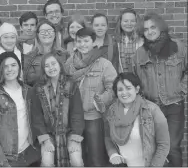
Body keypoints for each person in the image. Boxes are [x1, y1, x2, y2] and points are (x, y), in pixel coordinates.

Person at [132, 12, 187, 167]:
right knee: (155, 148)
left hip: (174, 105)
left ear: (160, 27)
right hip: (152, 107)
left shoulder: (178, 47)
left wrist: (181, 89)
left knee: (173, 147)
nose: (150, 31)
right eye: (146, 29)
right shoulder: (140, 54)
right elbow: (136, 80)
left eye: (153, 27)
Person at [65, 27, 117, 166]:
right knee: (76, 157)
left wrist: (100, 101)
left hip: (93, 117)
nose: (82, 44)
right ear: (75, 43)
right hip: (74, 118)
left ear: (93, 42)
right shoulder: (69, 64)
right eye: (79, 41)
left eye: (86, 41)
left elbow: (113, 88)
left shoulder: (104, 64)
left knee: (96, 156)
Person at [0, 52, 41, 167]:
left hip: (31, 154)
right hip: (8, 158)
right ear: (0, 70)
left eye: (13, 65)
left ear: (19, 67)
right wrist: (1, 162)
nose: (10, 69)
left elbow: (37, 121)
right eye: (5, 66)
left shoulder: (29, 91)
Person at [29, 52, 85, 166]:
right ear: (43, 69)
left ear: (60, 65)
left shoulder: (71, 84)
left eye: (53, 64)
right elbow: (36, 116)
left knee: (76, 160)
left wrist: (74, 139)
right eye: (47, 66)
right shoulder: (38, 88)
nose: (51, 68)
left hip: (69, 131)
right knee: (47, 161)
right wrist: (45, 139)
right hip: (48, 133)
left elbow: (77, 114)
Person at [105, 72, 170, 167]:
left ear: (137, 89)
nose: (124, 93)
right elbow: (107, 137)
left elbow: (163, 145)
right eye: (120, 90)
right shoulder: (112, 111)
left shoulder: (152, 110)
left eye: (128, 88)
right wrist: (113, 154)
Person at [24, 20, 68, 87]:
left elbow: (69, 76)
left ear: (55, 34)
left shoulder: (64, 54)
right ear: (37, 35)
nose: (47, 34)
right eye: (43, 32)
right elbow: (28, 80)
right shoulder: (29, 56)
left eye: (50, 31)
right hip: (38, 94)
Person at [0, 22, 24, 88]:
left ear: (16, 39)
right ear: (0, 40)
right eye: (5, 37)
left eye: (12, 37)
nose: (9, 40)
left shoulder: (23, 57)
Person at [111, 8, 144, 73]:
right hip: (121, 79)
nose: (129, 24)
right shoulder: (114, 41)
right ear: (120, 22)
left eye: (132, 21)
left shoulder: (142, 41)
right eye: (125, 21)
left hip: (140, 79)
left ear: (136, 22)